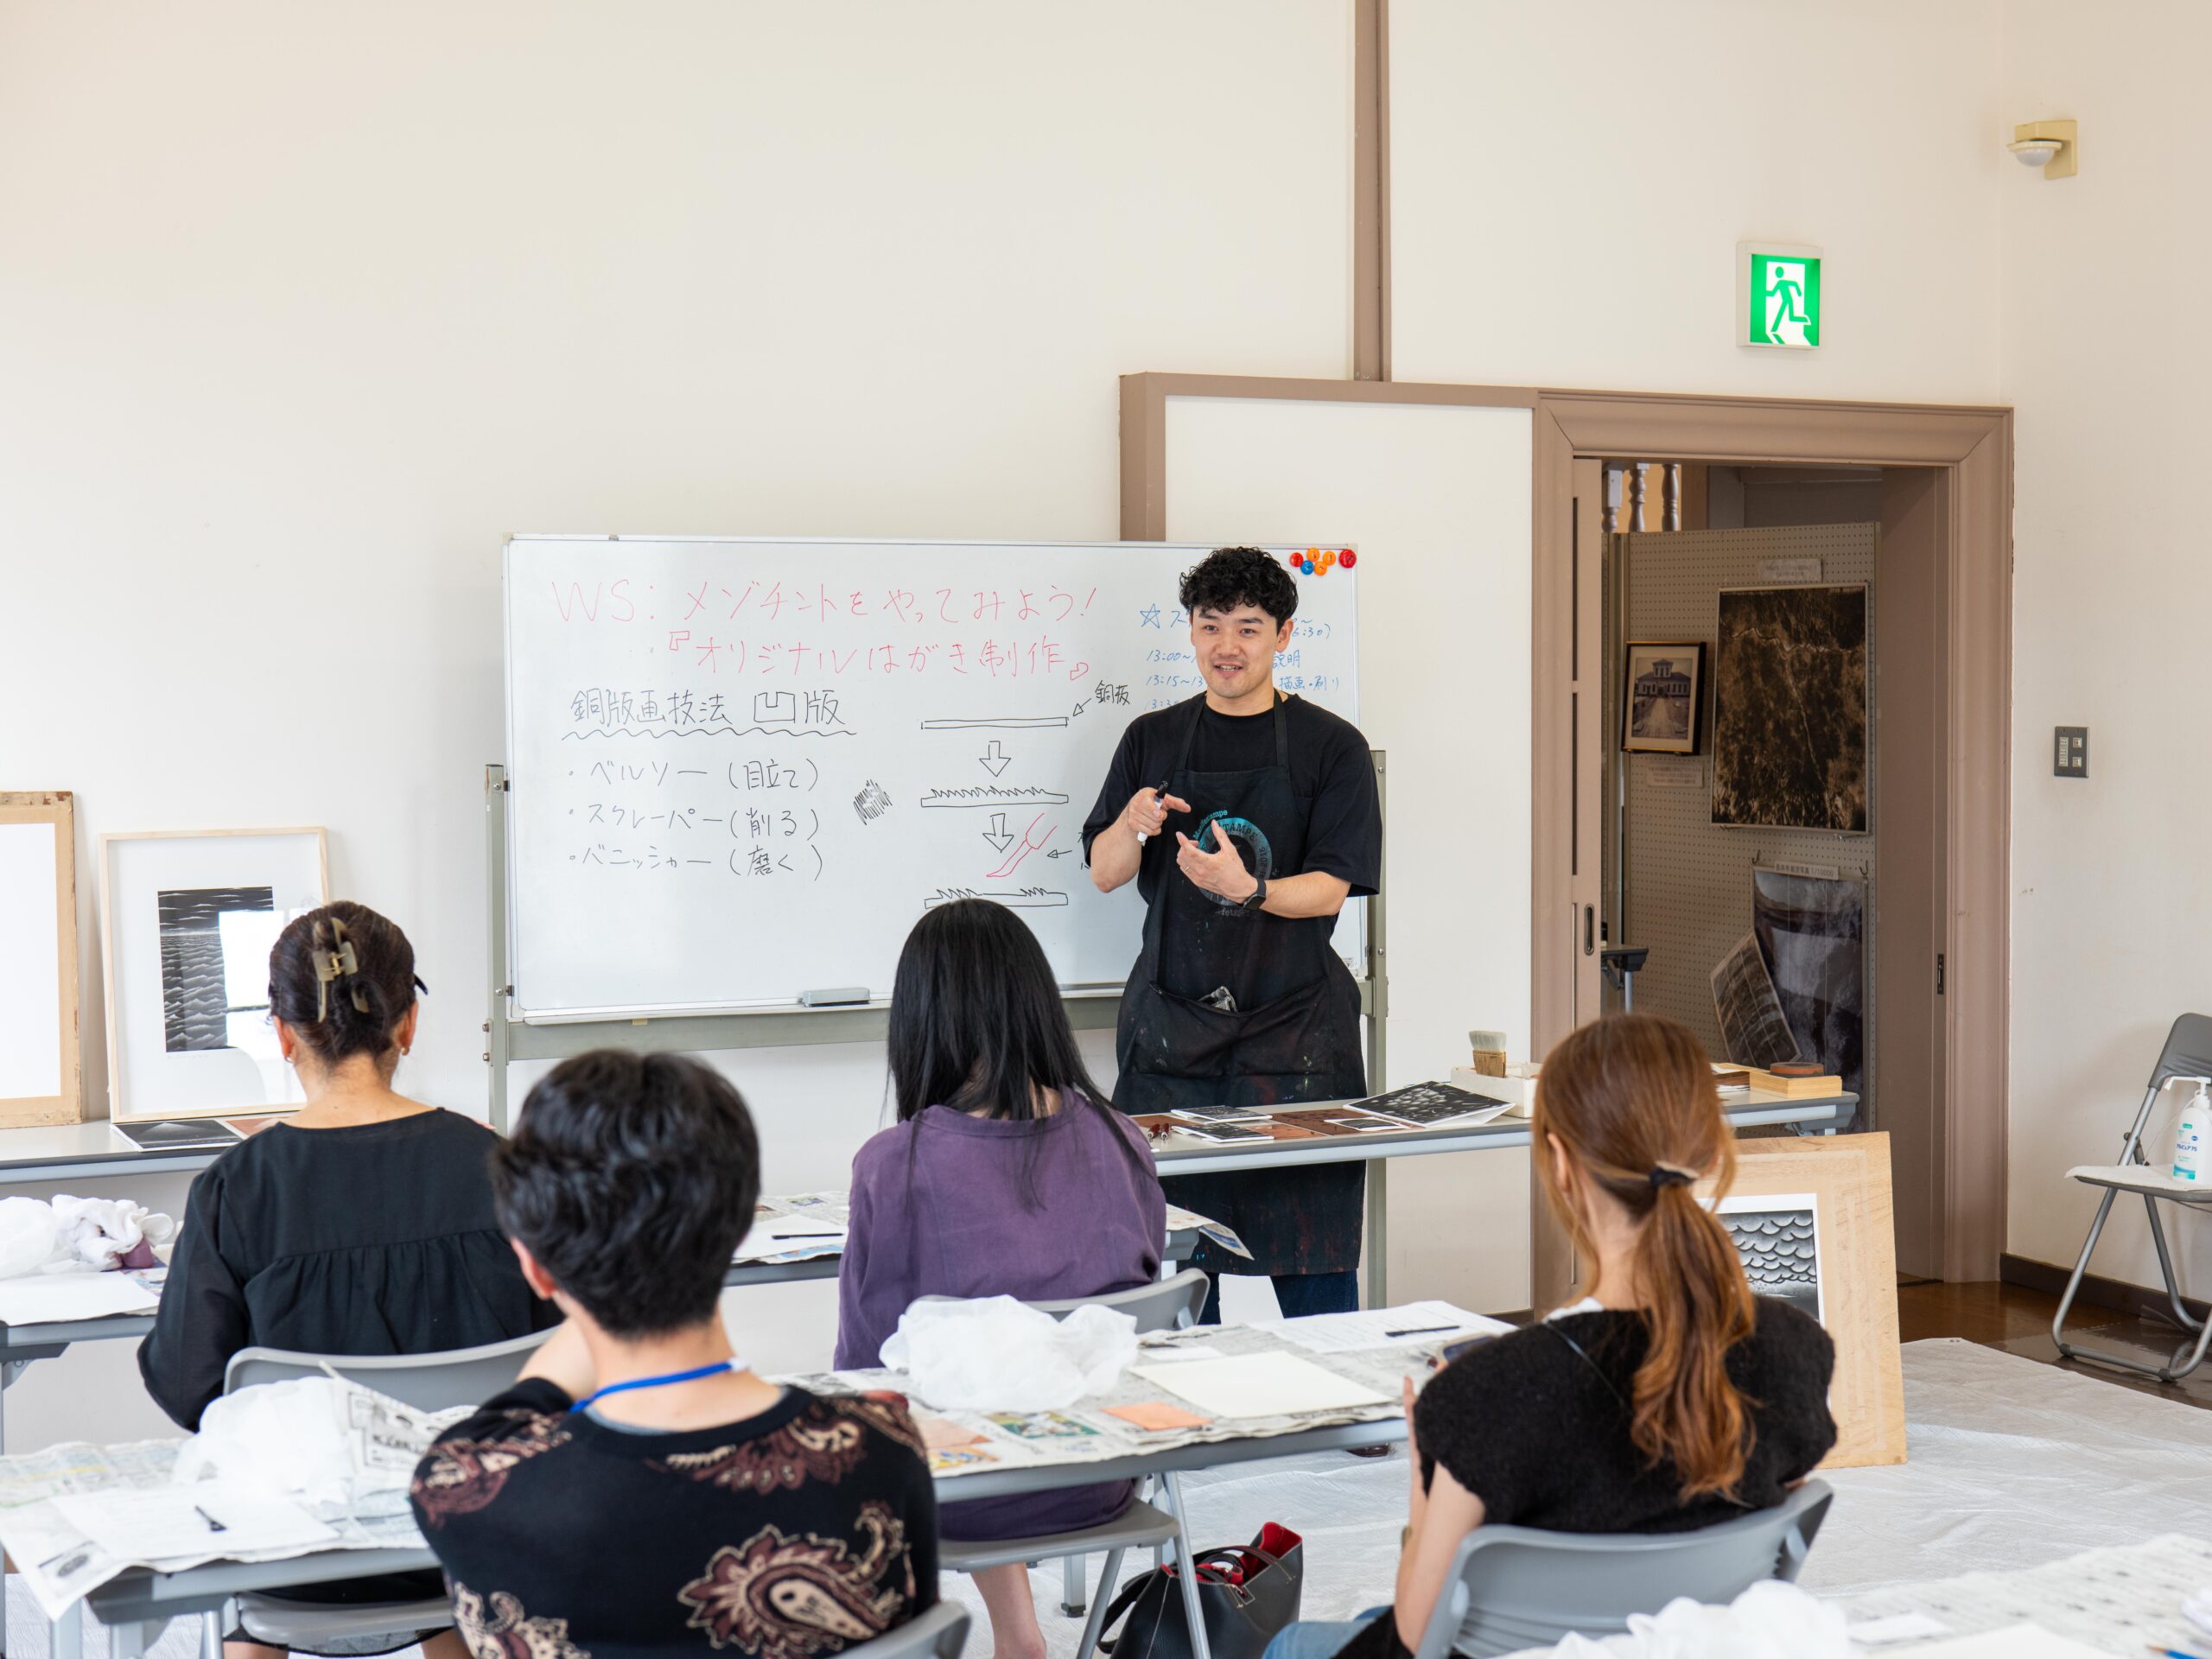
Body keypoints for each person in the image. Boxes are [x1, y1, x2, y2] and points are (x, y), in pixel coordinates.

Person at [1262, 1014, 1839, 1659]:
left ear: (1561, 1164)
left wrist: (1431, 1457)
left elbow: (1415, 1636)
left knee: (1293, 1644)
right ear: (1710, 1152)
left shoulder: (1487, 1393)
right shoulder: (1794, 1349)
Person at [412, 1050, 938, 1657]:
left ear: (532, 1266)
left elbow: (507, 1418)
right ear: (743, 1226)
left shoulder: (469, 1486)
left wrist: (583, 1277)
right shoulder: (879, 1449)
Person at [138, 901, 554, 1659]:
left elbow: (187, 1386)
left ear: (284, 1034)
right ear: (408, 1024)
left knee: (246, 1492)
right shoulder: (503, 1169)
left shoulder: (236, 1189)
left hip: (292, 1552)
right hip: (473, 1536)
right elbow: (551, 1367)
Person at [838, 897, 1166, 1659]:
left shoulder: (894, 1164)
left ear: (923, 1020)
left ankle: (1006, 1636)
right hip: (1105, 1471)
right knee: (1011, 1379)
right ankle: (1019, 1636)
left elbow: (861, 1367)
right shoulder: (1121, 1139)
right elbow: (1132, 1306)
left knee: (948, 1399)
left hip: (966, 1490)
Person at [1083, 545, 1381, 1321]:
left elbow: (1332, 887)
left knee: (1315, 1254)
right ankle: (1194, 1425)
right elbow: (1105, 871)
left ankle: (1346, 1415)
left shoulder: (1332, 747)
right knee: (1175, 1257)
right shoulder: (1152, 739)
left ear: (1283, 635)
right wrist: (1131, 820)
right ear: (1189, 633)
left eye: (1248, 628)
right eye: (1210, 626)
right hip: (1172, 1046)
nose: (1227, 646)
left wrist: (1249, 891)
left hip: (1298, 1044)